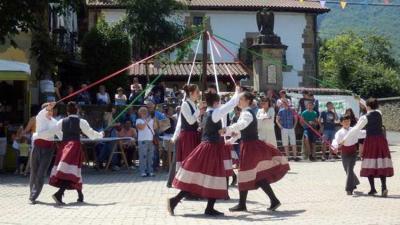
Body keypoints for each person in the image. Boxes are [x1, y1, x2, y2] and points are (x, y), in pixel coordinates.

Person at [168, 87, 240, 216]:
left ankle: (204, 206)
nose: (220, 105)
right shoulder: (215, 113)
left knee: (204, 176)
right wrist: (237, 92)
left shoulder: (207, 112)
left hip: (208, 147)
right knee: (213, 176)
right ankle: (177, 201)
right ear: (216, 103)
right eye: (219, 103)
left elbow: (217, 128)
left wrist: (227, 131)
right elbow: (231, 105)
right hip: (211, 148)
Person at [221, 92, 290, 212]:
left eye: (241, 99)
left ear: (248, 101)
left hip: (251, 147)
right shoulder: (246, 112)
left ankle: (245, 204)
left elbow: (241, 125)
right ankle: (269, 201)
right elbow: (243, 131)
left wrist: (227, 130)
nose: (238, 101)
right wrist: (231, 139)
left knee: (247, 173)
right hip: (249, 146)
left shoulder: (247, 113)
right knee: (256, 175)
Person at [43, 102, 103, 204]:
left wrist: (39, 135)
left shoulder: (62, 121)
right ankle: (59, 194)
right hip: (74, 148)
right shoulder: (81, 121)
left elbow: (51, 132)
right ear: (77, 110)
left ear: (67, 111)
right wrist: (100, 135)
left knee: (72, 171)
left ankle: (80, 195)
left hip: (64, 148)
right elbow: (91, 133)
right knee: (72, 171)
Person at [341, 98, 393, 197]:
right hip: (381, 140)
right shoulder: (379, 113)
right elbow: (369, 106)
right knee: (381, 163)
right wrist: (359, 98)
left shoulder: (364, 118)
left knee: (369, 163)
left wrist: (345, 138)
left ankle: (373, 189)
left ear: (368, 106)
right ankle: (384, 187)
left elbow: (355, 129)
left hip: (371, 141)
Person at [28, 102, 61, 204]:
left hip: (48, 149)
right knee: (34, 171)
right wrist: (48, 106)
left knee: (41, 173)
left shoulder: (55, 122)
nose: (51, 111)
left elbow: (61, 135)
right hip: (37, 147)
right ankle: (32, 193)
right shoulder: (40, 117)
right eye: (49, 110)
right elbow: (44, 112)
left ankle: (34, 195)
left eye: (51, 110)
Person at [332, 115, 365, 195]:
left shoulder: (354, 130)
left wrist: (373, 131)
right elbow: (335, 141)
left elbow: (363, 133)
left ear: (350, 122)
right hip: (344, 153)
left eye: (348, 121)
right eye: (345, 122)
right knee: (347, 170)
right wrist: (335, 147)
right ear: (341, 123)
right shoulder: (339, 133)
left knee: (350, 169)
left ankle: (348, 189)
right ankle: (354, 182)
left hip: (353, 153)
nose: (347, 123)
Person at [171, 84, 201, 170]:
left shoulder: (194, 105)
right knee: (188, 161)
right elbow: (190, 121)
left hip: (193, 135)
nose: (199, 94)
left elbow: (195, 121)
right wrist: (199, 110)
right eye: (197, 92)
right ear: (191, 93)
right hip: (187, 137)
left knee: (193, 161)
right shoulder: (185, 104)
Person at [136, 107, 157, 177]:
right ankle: (143, 171)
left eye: (145, 112)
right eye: (143, 112)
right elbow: (141, 127)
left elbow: (155, 127)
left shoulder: (151, 120)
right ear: (140, 113)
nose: (144, 114)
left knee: (150, 156)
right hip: (142, 140)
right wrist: (147, 121)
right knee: (143, 156)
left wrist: (154, 120)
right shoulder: (138, 120)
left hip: (150, 139)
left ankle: (150, 171)